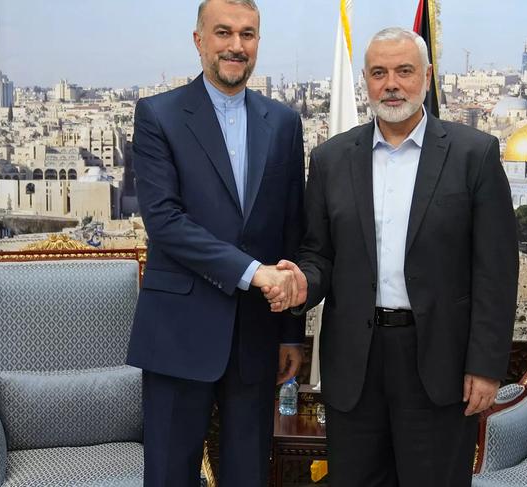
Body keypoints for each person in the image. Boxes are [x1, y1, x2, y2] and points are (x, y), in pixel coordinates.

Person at [270, 27, 519, 486]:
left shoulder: (473, 154)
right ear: (365, 80)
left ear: (425, 77)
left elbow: (496, 271)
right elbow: (318, 254)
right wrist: (303, 282)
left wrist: (485, 368)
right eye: (379, 73)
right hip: (355, 366)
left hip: (439, 364)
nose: (392, 84)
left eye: (404, 71)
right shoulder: (330, 159)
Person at [126, 1, 305, 485]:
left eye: (247, 35)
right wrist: (254, 272)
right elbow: (165, 221)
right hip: (178, 331)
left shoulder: (284, 123)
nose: (236, 45)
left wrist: (291, 332)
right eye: (223, 32)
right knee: (168, 474)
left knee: (247, 473)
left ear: (258, 44)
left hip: (256, 336)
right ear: (199, 39)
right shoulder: (158, 114)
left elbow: (291, 229)